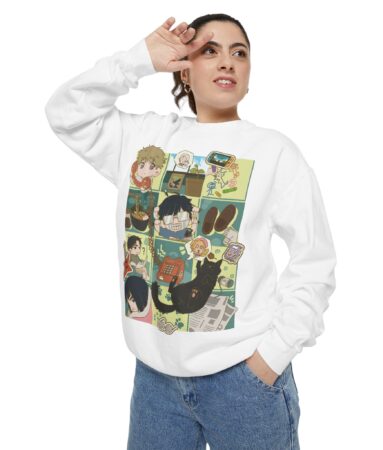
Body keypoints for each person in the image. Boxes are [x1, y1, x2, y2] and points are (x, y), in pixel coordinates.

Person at [45, 13, 337, 450]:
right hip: (155, 384)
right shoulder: (143, 140)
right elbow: (65, 113)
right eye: (209, 51)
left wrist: (271, 358)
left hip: (243, 381)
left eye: (239, 53)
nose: (227, 62)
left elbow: (314, 260)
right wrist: (140, 59)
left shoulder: (274, 152)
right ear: (184, 68)